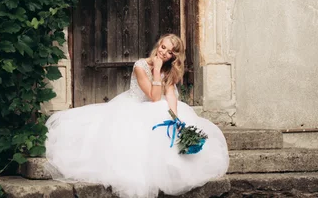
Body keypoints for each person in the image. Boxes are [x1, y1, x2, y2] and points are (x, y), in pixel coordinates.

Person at [44, 34, 229, 198]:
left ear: (174, 56)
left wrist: (175, 117)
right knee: (156, 112)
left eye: (170, 52)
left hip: (159, 107)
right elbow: (155, 97)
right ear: (158, 46)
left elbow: (170, 94)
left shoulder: (170, 69)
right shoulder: (140, 66)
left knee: (170, 115)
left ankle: (170, 168)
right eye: (163, 47)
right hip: (136, 106)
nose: (164, 53)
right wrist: (156, 70)